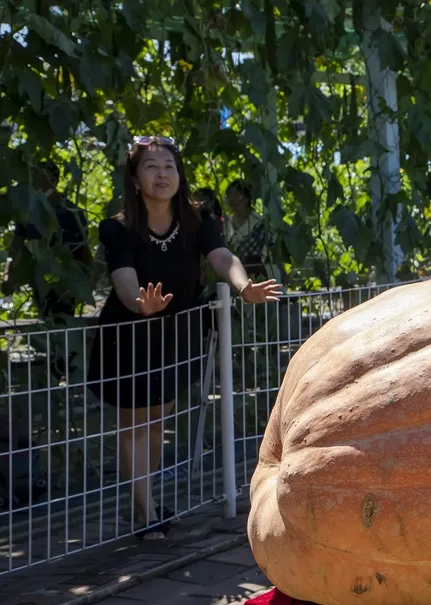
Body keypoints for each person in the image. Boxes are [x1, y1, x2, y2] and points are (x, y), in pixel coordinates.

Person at [88, 136, 281, 540]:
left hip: (174, 333)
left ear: (180, 175)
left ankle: (150, 503)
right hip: (129, 335)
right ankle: (143, 514)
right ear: (136, 179)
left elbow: (222, 258)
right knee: (133, 424)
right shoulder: (119, 228)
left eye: (169, 166)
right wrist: (140, 303)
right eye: (151, 167)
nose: (162, 174)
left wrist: (244, 287)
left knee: (157, 422)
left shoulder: (198, 219)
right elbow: (123, 278)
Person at [3, 161, 94, 322]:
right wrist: (8, 277)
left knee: (62, 322)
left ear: (54, 180)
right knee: (47, 321)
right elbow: (16, 246)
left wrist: (86, 280)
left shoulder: (68, 211)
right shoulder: (28, 211)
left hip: (66, 279)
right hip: (40, 279)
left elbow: (82, 248)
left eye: (41, 176)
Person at [225, 180, 271, 279]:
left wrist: (283, 274)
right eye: (230, 196)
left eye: (237, 195)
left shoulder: (259, 222)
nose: (232, 200)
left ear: (247, 198)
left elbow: (273, 249)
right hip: (232, 274)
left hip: (255, 273)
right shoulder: (226, 222)